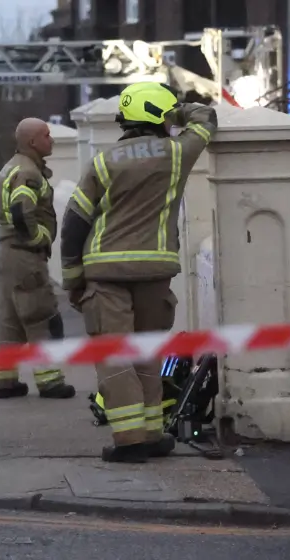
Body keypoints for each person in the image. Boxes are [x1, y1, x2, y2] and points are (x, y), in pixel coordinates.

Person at [60, 82, 217, 463]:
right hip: (154, 270)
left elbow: (75, 222)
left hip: (105, 270)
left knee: (115, 355)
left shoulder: (103, 161)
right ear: (159, 117)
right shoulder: (178, 153)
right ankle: (150, 434)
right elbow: (207, 117)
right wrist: (176, 110)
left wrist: (72, 278)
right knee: (147, 351)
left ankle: (129, 440)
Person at [0, 118, 76, 399]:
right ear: (32, 142)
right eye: (46, 135)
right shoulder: (29, 173)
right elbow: (20, 209)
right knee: (40, 314)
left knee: (9, 319)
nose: (51, 139)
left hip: (7, 253)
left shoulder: (12, 166)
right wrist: (39, 238)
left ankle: (4, 380)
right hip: (25, 256)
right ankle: (50, 381)